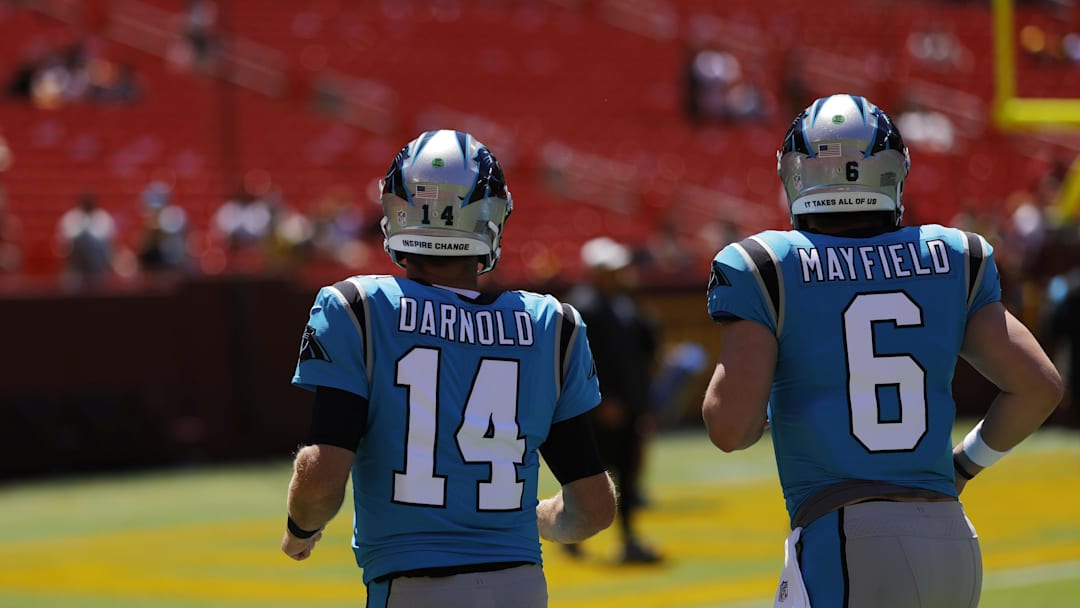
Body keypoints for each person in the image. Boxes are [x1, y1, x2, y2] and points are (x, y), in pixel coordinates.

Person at [701, 94, 1063, 608]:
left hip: (844, 534)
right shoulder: (955, 254)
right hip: (951, 538)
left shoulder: (764, 264)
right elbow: (1038, 387)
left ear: (796, 175)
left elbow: (730, 429)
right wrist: (961, 467)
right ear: (893, 172)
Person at [281, 129, 617, 607]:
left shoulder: (357, 307)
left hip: (411, 585)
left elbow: (321, 477)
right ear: (490, 216)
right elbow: (594, 508)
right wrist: (537, 518)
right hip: (521, 588)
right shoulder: (551, 324)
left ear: (396, 209)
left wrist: (300, 529)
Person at [564, 236, 663, 564]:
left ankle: (628, 538)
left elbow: (638, 356)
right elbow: (585, 362)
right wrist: (601, 401)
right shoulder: (584, 306)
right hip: (601, 410)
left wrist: (642, 404)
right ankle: (575, 534)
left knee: (627, 476)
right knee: (593, 477)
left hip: (629, 405)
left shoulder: (621, 303)